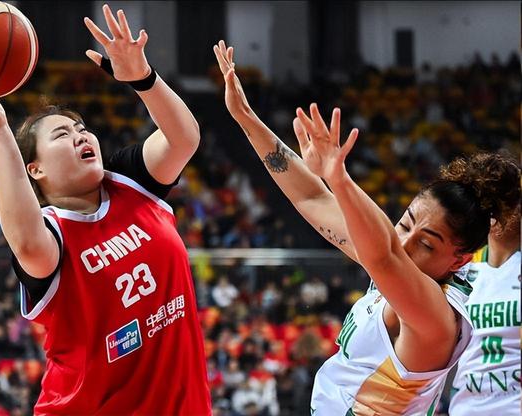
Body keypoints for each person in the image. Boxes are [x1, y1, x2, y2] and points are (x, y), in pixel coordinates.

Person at [213, 41, 520, 414]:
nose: (405, 242)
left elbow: (384, 254)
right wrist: (245, 117)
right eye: (404, 224)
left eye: (427, 244)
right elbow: (312, 198)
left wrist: (339, 178)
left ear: (460, 260)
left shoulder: (438, 318)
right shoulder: (396, 269)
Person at [0, 5, 211, 414]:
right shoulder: (51, 232)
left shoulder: (130, 182)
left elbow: (184, 139)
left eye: (82, 129)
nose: (80, 136)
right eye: (62, 135)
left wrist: (143, 78)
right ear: (35, 168)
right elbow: (26, 241)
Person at [449, 203, 521, 415]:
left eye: (509, 201)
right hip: (466, 407)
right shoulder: (461, 267)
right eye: (493, 201)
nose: (499, 209)